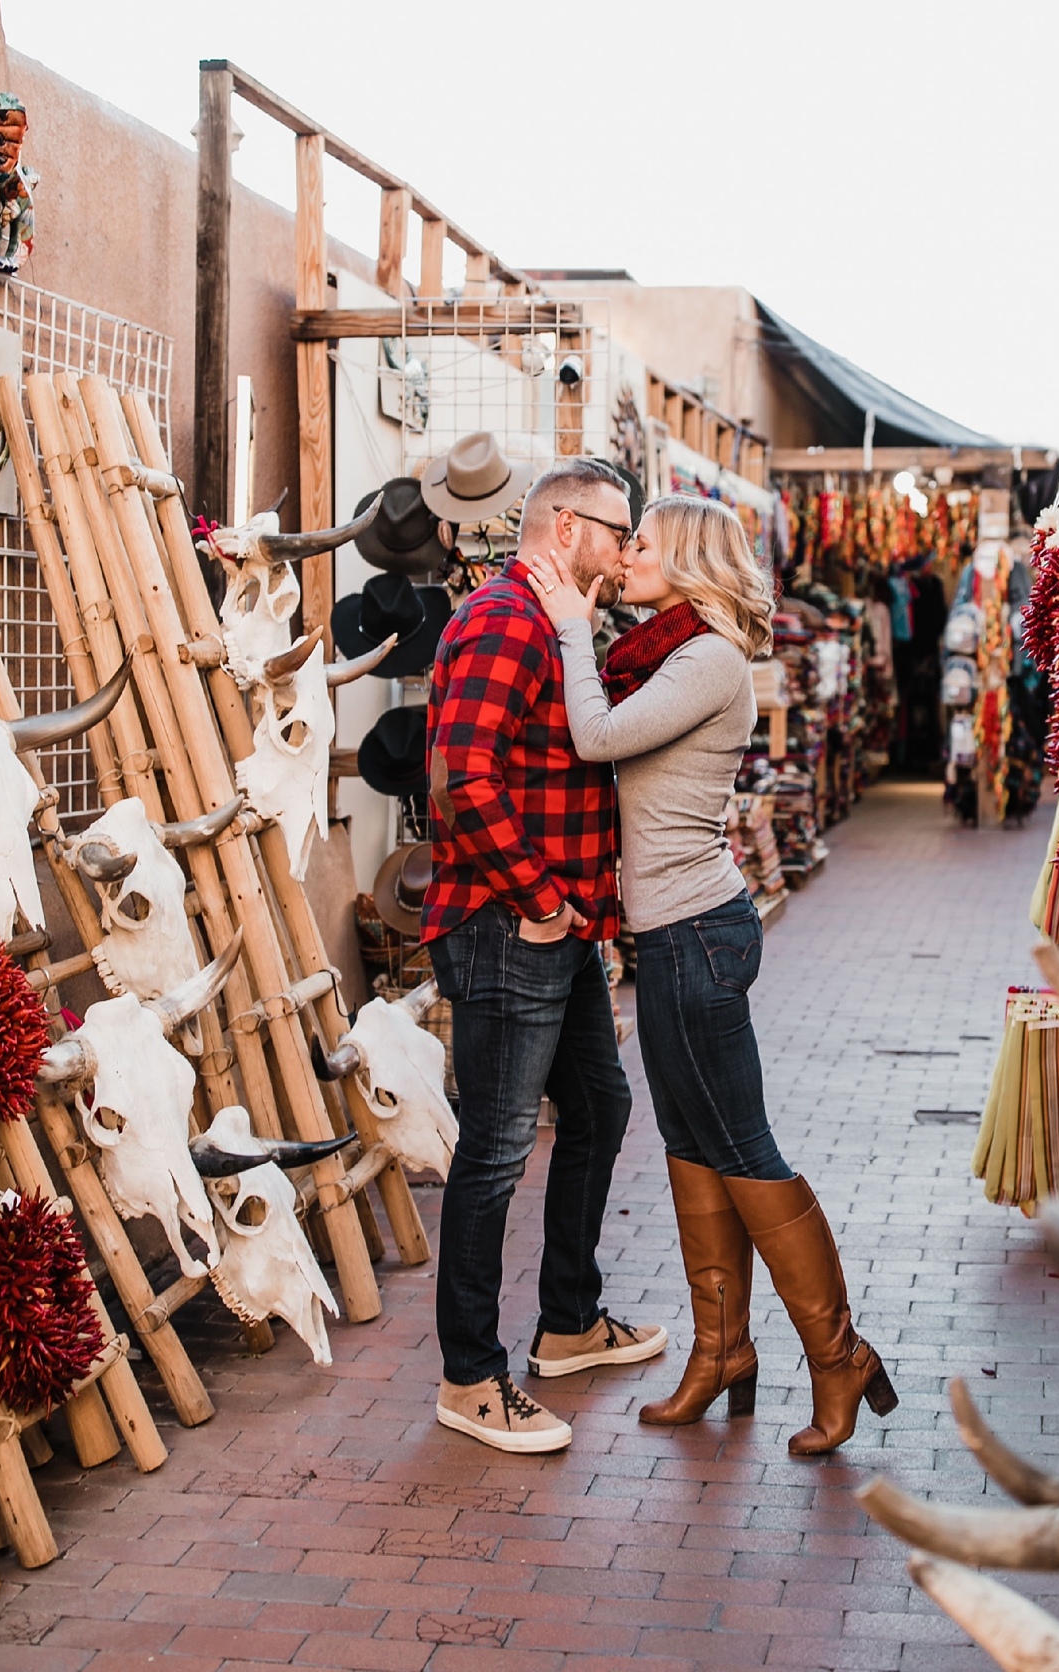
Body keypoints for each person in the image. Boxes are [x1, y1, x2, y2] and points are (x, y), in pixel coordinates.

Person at [526, 495, 897, 1457]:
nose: (627, 553)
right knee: (693, 1143)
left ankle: (839, 1357)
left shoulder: (708, 659)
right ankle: (722, 1351)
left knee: (742, 1147)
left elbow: (596, 738)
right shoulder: (670, 650)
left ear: (687, 558)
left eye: (641, 542)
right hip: (678, 933)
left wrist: (571, 632)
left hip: (696, 933)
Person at [423, 457, 667, 1455]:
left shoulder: (547, 621)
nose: (624, 550)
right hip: (509, 923)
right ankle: (470, 1376)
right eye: (618, 531)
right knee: (493, 1150)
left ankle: (566, 1321)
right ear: (566, 526)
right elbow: (459, 777)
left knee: (602, 1105)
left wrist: (572, 916)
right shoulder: (502, 620)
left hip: (554, 927)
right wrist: (539, 896)